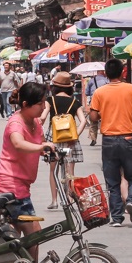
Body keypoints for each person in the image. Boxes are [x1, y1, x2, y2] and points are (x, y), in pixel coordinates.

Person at [0, 82, 57, 263]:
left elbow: (39, 136)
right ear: (26, 104)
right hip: (9, 187)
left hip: (20, 186)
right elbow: (18, 144)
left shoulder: (35, 121)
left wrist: (47, 151)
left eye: (44, 102)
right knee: (34, 234)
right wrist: (41, 147)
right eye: (39, 103)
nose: (43, 106)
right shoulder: (15, 123)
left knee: (11, 238)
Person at [89, 59, 132, 227]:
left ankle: (116, 218)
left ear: (106, 74)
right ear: (123, 72)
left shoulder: (99, 92)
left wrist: (103, 114)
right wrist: (131, 108)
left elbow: (93, 117)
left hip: (108, 140)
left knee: (112, 180)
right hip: (128, 138)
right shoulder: (131, 89)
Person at [39, 71, 86, 210]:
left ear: (55, 86)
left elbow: (42, 117)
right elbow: (83, 121)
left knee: (53, 170)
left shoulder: (50, 100)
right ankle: (69, 199)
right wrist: (75, 135)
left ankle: (54, 200)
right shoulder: (74, 102)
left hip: (53, 138)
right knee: (69, 171)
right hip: (70, 141)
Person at [84, 71, 109, 147]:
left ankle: (93, 139)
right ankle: (107, 137)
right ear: (103, 73)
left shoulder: (91, 80)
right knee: (106, 119)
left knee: (93, 121)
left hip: (94, 102)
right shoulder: (106, 80)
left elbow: (87, 93)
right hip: (104, 102)